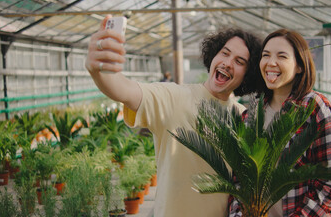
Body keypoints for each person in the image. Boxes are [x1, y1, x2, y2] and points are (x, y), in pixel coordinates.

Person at [85, 15, 262, 217]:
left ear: (248, 74)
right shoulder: (174, 97)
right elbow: (123, 89)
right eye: (225, 53)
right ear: (213, 56)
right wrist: (100, 71)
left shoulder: (244, 118)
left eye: (239, 61)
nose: (228, 63)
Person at [229, 29, 331, 217]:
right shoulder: (252, 113)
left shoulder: (315, 109)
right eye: (265, 55)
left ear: (299, 66)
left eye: (282, 56)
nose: (271, 63)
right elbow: (238, 181)